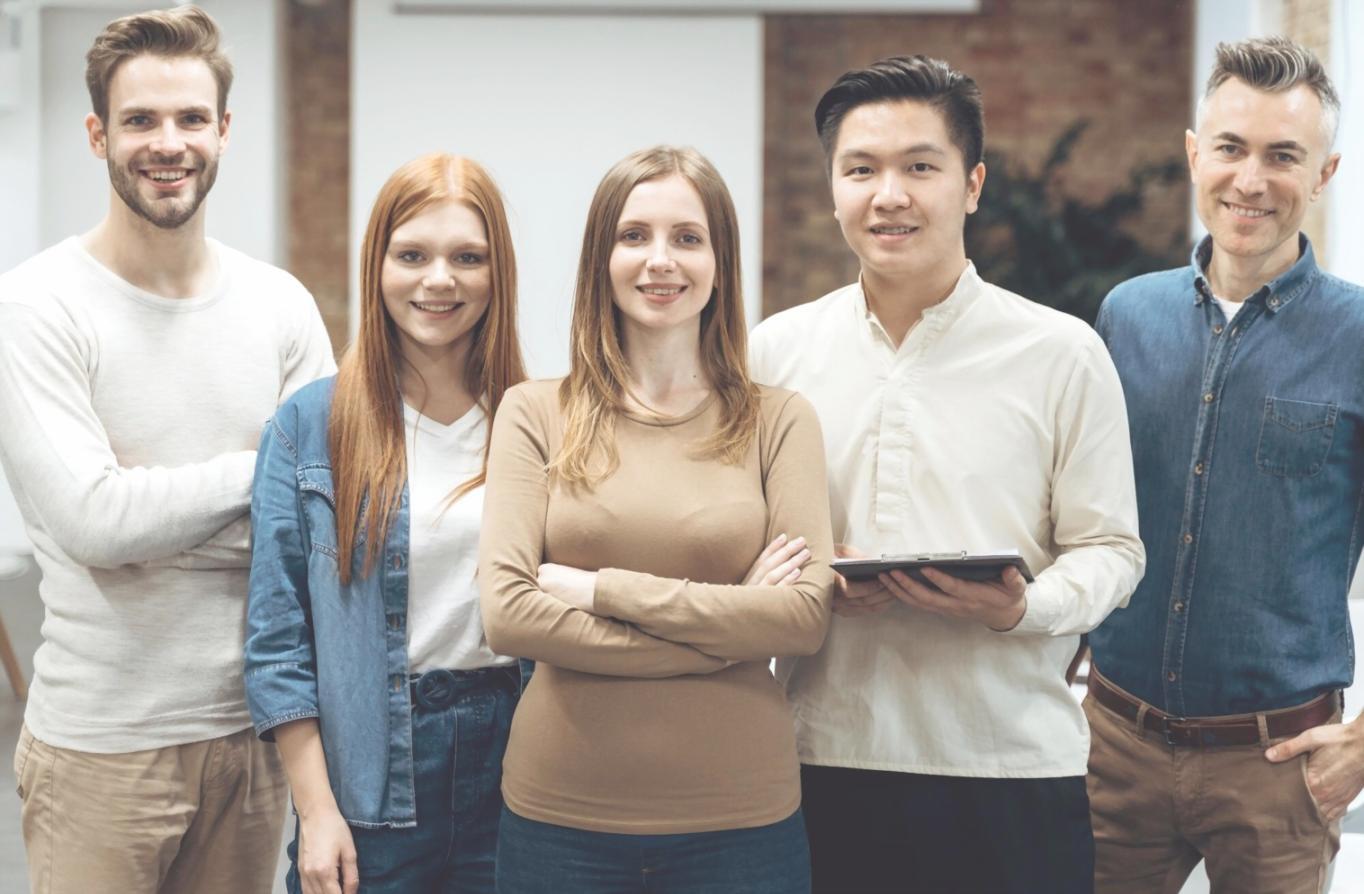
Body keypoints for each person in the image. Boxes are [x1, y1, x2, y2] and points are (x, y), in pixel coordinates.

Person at [748, 55, 1145, 893]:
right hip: (820, 758)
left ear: (972, 185)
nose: (888, 194)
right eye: (861, 169)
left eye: (919, 167)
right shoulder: (774, 352)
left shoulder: (1061, 352)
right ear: (832, 189)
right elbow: (739, 540)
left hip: (1010, 771)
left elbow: (1111, 549)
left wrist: (1022, 605)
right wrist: (804, 577)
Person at [0, 7, 334, 892]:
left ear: (224, 131)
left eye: (190, 119)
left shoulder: (281, 306)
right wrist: (262, 473)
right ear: (97, 133)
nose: (167, 143)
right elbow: (96, 523)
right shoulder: (36, 308)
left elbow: (320, 521)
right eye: (140, 119)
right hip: (101, 752)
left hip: (256, 735)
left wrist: (157, 511)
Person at [479, 145, 834, 893]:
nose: (659, 261)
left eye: (687, 237)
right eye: (633, 235)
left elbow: (802, 619)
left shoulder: (781, 420)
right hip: (558, 822)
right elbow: (508, 615)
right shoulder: (536, 412)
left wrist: (599, 589)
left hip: (742, 823)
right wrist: (727, 633)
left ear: (720, 261)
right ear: (601, 258)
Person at [1086, 36, 1360, 893]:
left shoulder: (1359, 339)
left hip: (1278, 769)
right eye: (1232, 149)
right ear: (1194, 154)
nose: (1251, 180)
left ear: (1325, 173)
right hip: (1115, 754)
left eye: (1284, 156)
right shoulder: (1124, 316)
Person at [244, 153, 529, 894]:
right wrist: (317, 813)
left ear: (498, 274)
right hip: (369, 785)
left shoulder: (537, 419)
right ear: (378, 265)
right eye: (413, 255)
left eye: (468, 257)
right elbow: (279, 646)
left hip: (521, 772)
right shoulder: (310, 425)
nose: (440, 280)